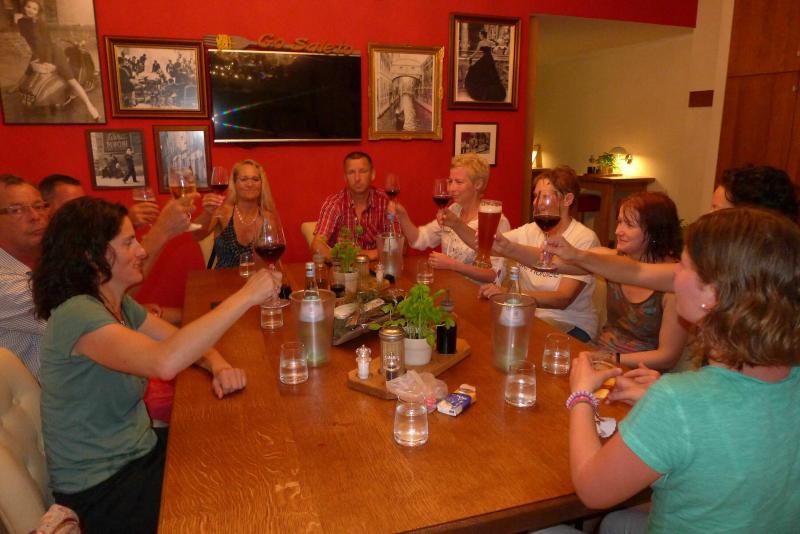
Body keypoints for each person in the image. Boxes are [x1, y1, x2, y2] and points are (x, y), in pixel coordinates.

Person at [31, 197, 279, 533]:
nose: (141, 251)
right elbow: (165, 362)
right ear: (92, 256)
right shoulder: (77, 313)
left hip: (140, 454)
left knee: (240, 453)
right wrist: (246, 296)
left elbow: (179, 340)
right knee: (236, 500)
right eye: (128, 243)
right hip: (103, 489)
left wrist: (218, 365)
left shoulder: (114, 303)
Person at [562, 208, 800, 533]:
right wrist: (668, 398)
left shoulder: (677, 401)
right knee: (618, 522)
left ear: (713, 295)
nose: (674, 272)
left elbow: (592, 490)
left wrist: (581, 396)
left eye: (684, 265)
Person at [481, 166, 600, 342]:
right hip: (529, 315)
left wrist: (509, 294)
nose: (537, 203)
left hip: (571, 323)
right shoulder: (530, 230)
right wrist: (456, 225)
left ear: (567, 199)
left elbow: (562, 299)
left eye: (545, 196)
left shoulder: (584, 238)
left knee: (513, 341)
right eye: (536, 196)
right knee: (485, 331)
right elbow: (488, 245)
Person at [584, 192, 688, 370]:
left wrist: (612, 359)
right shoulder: (615, 262)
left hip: (639, 372)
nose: (617, 231)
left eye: (629, 225)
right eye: (619, 222)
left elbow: (667, 357)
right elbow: (568, 261)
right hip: (599, 356)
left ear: (654, 231)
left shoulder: (673, 280)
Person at [389, 153, 510, 283]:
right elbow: (419, 239)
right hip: (450, 288)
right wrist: (403, 216)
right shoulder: (454, 210)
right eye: (450, 181)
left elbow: (495, 275)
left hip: (477, 293)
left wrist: (453, 265)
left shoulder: (496, 221)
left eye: (459, 182)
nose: (451, 188)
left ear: (478, 184)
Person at [15, 0, 100, 121]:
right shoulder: (21, 22)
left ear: (38, 12)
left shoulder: (40, 23)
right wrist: (36, 56)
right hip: (37, 52)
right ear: (24, 7)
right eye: (28, 7)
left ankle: (90, 106)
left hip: (54, 53)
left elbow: (48, 43)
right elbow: (31, 42)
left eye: (34, 9)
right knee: (28, 72)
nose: (31, 10)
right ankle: (17, 85)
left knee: (71, 80)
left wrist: (49, 61)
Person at [0, 174, 48, 377]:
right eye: (17, 210)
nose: (35, 216)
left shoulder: (43, 262)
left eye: (39, 206)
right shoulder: (4, 282)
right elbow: (81, 320)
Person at [193, 159, 278, 269]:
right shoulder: (223, 212)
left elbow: (271, 260)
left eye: (255, 179)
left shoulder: (268, 218)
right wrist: (207, 213)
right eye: (244, 179)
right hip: (223, 278)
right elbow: (196, 235)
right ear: (234, 184)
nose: (250, 184)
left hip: (256, 278)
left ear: (261, 184)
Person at [312, 151, 389, 261]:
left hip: (379, 268)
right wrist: (346, 259)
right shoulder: (335, 203)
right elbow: (317, 245)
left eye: (362, 171)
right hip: (345, 269)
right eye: (351, 172)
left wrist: (361, 254)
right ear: (345, 177)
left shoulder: (385, 201)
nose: (357, 178)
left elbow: (401, 245)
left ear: (372, 174)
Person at [463, 29, 505, 102]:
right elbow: (497, 45)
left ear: (482, 35)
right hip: (490, 59)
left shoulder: (481, 43)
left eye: (480, 34)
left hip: (485, 59)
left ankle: (484, 94)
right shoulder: (490, 42)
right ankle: (492, 94)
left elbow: (476, 52)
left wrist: (470, 57)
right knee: (490, 75)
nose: (479, 36)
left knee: (476, 71)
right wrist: (495, 45)